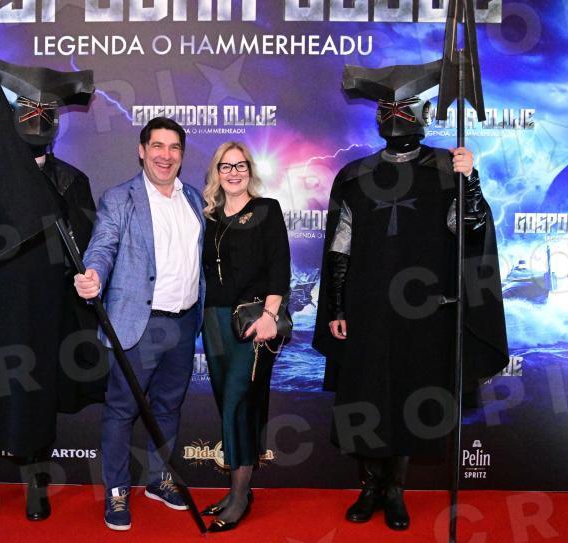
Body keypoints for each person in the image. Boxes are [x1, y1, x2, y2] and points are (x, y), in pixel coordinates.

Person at [313, 62, 508, 531]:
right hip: (366, 308)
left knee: (408, 397)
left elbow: (469, 231)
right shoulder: (355, 175)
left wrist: (470, 181)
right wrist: (337, 305)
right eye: (388, 108)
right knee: (364, 396)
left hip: (422, 311)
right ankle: (369, 487)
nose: (395, 115)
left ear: (420, 114)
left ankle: (395, 490)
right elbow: (340, 246)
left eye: (404, 108)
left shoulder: (446, 168)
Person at [0, 58, 104, 522]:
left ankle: (36, 483)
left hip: (44, 313)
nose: (35, 121)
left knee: (36, 399)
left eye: (43, 113)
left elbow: (86, 248)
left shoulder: (71, 181)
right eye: (28, 111)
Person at [74, 117, 205, 531]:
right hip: (139, 325)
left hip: (184, 323)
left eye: (174, 147)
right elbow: (103, 246)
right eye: (158, 146)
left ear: (182, 155)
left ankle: (159, 479)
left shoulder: (193, 198)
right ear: (142, 150)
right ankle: (116, 491)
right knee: (121, 410)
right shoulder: (120, 198)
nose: (166, 155)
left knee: (168, 406)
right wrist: (93, 274)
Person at [199, 141, 291, 532]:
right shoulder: (208, 215)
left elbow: (280, 266)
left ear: (250, 170)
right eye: (226, 166)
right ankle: (238, 490)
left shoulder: (267, 209)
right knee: (227, 402)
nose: (233, 173)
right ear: (216, 172)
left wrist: (271, 315)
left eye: (240, 165)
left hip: (252, 320)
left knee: (240, 401)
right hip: (213, 320)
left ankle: (239, 496)